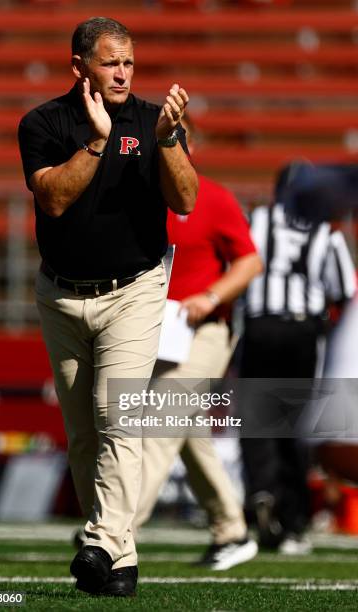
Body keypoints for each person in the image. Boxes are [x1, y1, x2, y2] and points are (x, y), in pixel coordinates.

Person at [18, 16, 198, 598]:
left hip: (135, 287)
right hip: (62, 294)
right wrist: (96, 141)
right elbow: (53, 199)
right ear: (79, 67)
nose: (122, 72)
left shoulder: (153, 120)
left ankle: (97, 541)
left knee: (116, 415)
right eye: (110, 61)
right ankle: (120, 561)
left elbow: (187, 200)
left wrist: (169, 139)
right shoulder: (44, 122)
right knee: (82, 434)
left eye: (128, 61)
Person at [132, 116, 262, 569]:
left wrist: (210, 297)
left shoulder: (214, 198)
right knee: (188, 432)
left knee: (160, 422)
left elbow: (248, 262)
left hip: (205, 328)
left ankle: (115, 531)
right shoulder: (142, 197)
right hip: (155, 328)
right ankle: (233, 529)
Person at [239, 162, 356, 554]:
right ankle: (291, 518)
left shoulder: (255, 220)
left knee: (258, 423)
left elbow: (235, 267)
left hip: (258, 327)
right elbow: (344, 291)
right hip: (301, 332)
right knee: (292, 427)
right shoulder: (326, 231)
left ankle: (261, 492)